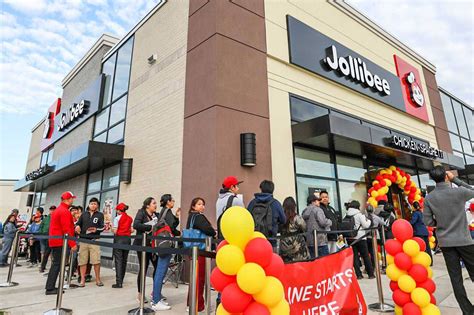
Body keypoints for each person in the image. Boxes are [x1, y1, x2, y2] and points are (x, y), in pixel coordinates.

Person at [423, 167, 474, 314]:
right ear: (446, 176)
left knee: (455, 278)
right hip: (464, 240)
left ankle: (467, 311)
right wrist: (454, 179)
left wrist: (440, 223)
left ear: (433, 179)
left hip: (446, 243)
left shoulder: (429, 198)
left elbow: (428, 221)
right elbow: (471, 190)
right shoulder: (458, 192)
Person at [183, 197, 216, 313]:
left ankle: (191, 303)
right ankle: (198, 305)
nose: (202, 206)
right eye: (199, 204)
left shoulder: (190, 217)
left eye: (203, 204)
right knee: (199, 279)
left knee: (194, 278)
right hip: (200, 251)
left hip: (192, 250)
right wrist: (214, 231)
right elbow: (208, 230)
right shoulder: (198, 217)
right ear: (193, 206)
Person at [45, 191, 77, 295]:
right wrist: (72, 244)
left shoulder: (60, 210)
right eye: (72, 198)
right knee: (57, 264)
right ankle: (50, 288)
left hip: (56, 241)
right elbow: (66, 229)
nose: (73, 200)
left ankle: (50, 286)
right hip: (60, 242)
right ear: (67, 199)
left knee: (56, 264)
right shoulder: (64, 211)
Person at [75, 198, 105, 287]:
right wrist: (77, 227)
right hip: (83, 240)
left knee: (96, 261)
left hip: (94, 240)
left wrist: (96, 229)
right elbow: (78, 224)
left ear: (98, 205)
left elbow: (102, 227)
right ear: (89, 205)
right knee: (82, 261)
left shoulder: (100, 215)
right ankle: (82, 280)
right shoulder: (84, 214)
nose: (93, 205)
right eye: (91, 203)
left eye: (95, 204)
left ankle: (98, 280)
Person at [133, 197, 158, 303]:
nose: (155, 205)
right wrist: (149, 228)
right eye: (154, 203)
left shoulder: (156, 215)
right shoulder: (141, 213)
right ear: (147, 205)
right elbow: (136, 225)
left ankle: (156, 292)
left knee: (157, 268)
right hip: (142, 244)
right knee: (143, 268)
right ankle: (140, 294)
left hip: (153, 245)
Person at [346, 200, 374, 280]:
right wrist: (368, 220)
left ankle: (359, 275)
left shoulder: (346, 214)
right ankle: (370, 274)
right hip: (361, 238)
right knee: (365, 256)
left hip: (350, 238)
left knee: (354, 256)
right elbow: (366, 225)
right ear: (357, 206)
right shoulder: (359, 214)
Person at [302, 194, 332, 258]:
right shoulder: (318, 210)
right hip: (320, 241)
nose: (319, 202)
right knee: (325, 263)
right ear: (313, 202)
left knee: (314, 263)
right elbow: (323, 222)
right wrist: (329, 221)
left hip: (309, 241)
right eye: (318, 200)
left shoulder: (304, 211)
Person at [280, 197, 309, 262]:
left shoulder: (282, 218)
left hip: (284, 246)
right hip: (297, 246)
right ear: (294, 206)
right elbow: (305, 228)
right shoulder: (297, 218)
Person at [112, 202, 133, 288]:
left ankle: (118, 282)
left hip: (119, 239)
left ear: (118, 210)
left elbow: (115, 231)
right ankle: (122, 280)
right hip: (127, 240)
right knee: (124, 260)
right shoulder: (130, 218)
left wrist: (111, 227)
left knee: (118, 260)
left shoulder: (117, 218)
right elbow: (132, 230)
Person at [365, 204, 386, 269]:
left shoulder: (365, 217)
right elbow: (383, 223)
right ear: (373, 210)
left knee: (367, 253)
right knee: (373, 252)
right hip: (375, 236)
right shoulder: (377, 217)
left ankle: (369, 267)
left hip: (366, 236)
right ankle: (374, 266)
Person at [39, 205, 55, 273]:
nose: (52, 211)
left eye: (54, 209)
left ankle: (53, 267)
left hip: (55, 237)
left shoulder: (57, 217)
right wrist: (41, 234)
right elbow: (41, 227)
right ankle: (42, 267)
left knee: (53, 254)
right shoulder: (46, 218)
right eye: (51, 209)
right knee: (46, 253)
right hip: (46, 237)